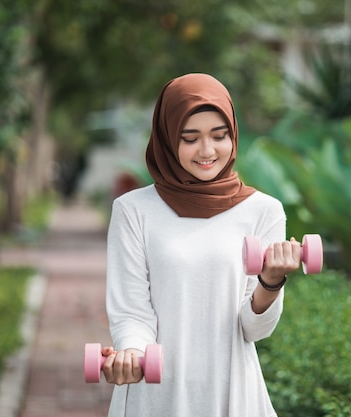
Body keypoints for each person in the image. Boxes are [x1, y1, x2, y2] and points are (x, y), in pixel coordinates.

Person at [100, 73, 302, 417]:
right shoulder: (133, 211)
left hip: (231, 393)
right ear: (166, 138)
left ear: (233, 136)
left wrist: (271, 281)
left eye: (219, 136)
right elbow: (132, 312)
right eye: (189, 138)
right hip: (155, 396)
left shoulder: (263, 211)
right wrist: (132, 355)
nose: (207, 151)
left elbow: (254, 329)